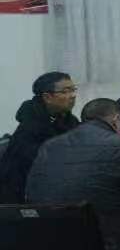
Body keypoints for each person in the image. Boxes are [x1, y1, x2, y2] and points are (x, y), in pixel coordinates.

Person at [26, 98, 120, 250]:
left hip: (49, 242)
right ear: (116, 119)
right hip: (107, 246)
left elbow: (31, 192)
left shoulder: (49, 145)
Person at [0, 72, 80, 203]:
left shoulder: (70, 121)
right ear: (47, 97)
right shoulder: (30, 128)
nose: (72, 95)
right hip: (24, 199)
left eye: (73, 90)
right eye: (65, 91)